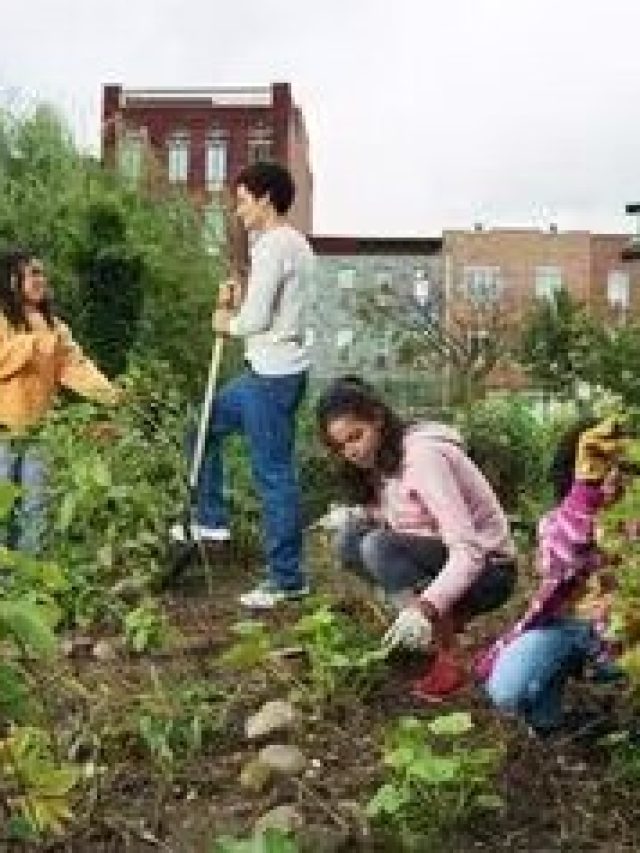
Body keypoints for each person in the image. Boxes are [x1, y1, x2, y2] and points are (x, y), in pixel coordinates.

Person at [315, 377, 517, 701]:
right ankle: (423, 635)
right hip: (443, 559)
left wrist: (424, 605)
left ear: (378, 420)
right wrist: (356, 515)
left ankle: (449, 655)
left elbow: (469, 551)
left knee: (377, 546)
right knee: (349, 540)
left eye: (356, 436)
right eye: (340, 446)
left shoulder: (424, 457)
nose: (351, 451)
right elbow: (411, 518)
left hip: (490, 571)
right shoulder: (378, 459)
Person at [170, 162, 314, 610]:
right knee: (203, 423)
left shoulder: (275, 245)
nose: (238, 209)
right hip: (266, 371)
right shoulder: (292, 245)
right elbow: (266, 305)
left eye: (243, 200)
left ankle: (286, 578)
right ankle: (212, 518)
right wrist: (239, 295)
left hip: (272, 376)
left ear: (266, 198)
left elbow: (256, 320)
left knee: (273, 476)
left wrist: (226, 321)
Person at [478, 417, 633, 737]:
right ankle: (551, 721)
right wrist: (586, 491)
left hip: (627, 636)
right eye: (600, 465)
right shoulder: (558, 521)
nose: (612, 476)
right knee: (508, 688)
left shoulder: (632, 518)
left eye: (621, 466)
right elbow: (559, 562)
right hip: (569, 628)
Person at [0, 247, 121, 552]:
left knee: (36, 505)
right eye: (32, 273)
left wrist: (113, 395)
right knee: (2, 507)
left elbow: (76, 366)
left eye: (42, 273)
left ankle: (30, 580)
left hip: (40, 431)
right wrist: (32, 344)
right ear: (11, 280)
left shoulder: (53, 326)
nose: (41, 279)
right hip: (3, 431)